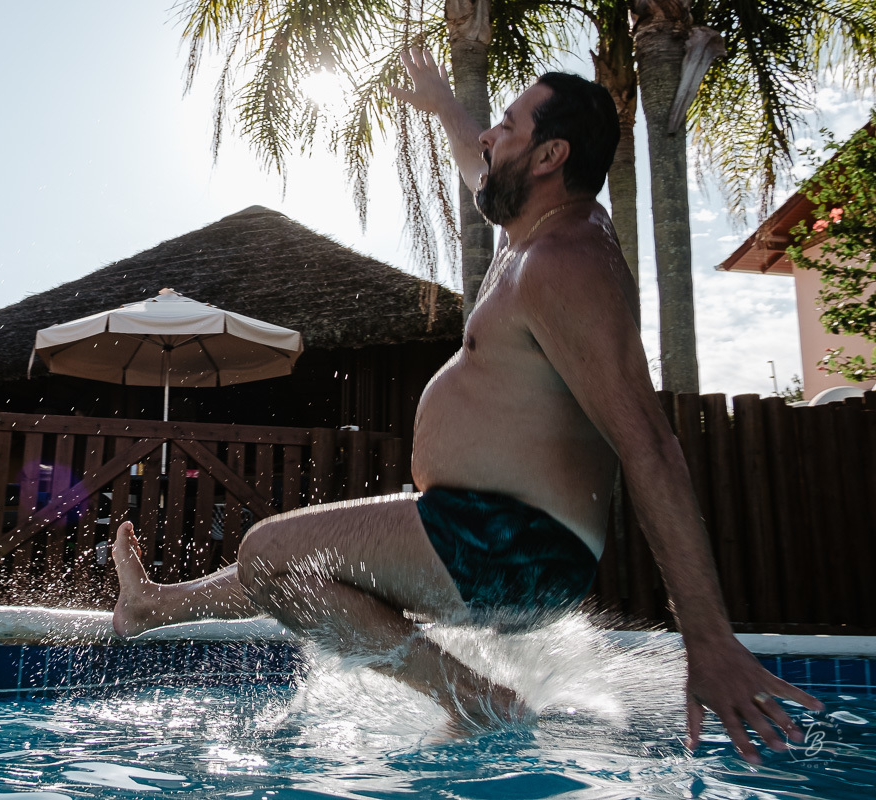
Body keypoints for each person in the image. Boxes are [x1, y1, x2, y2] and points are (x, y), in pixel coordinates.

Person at [111, 49, 822, 763]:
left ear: (549, 155)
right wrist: (448, 107)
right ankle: (151, 607)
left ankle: (473, 701)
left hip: (513, 546)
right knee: (309, 562)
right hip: (485, 534)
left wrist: (709, 639)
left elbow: (650, 446)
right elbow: (480, 169)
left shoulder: (564, 263)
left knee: (270, 553)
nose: (487, 139)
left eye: (505, 127)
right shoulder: (535, 236)